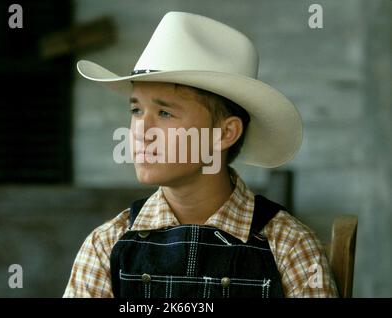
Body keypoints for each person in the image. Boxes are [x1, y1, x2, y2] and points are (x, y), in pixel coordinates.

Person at [63, 11, 338, 298]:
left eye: (165, 113)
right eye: (136, 110)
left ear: (225, 133)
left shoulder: (289, 246)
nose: (141, 131)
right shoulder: (106, 246)